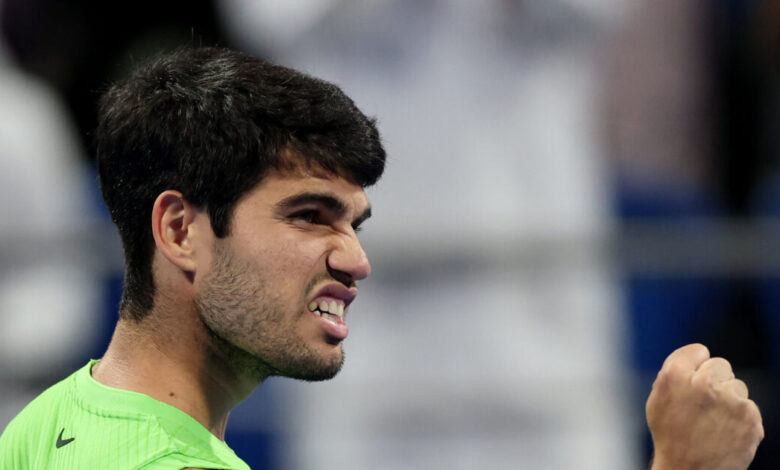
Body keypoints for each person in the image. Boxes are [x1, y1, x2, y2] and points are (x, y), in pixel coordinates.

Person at [0, 47, 764, 469]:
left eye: (355, 224)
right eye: (309, 217)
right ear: (179, 231)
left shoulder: (47, 423)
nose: (356, 260)